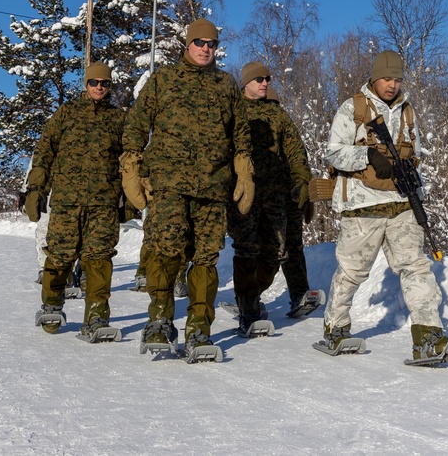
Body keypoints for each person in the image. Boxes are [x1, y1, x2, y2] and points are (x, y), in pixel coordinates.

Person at [121, 18, 254, 354]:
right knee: (165, 253)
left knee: (206, 260)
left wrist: (244, 172)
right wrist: (132, 168)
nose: (205, 49)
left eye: (211, 44)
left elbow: (240, 134)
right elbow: (137, 124)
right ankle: (160, 321)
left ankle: (198, 329)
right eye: (200, 43)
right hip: (169, 185)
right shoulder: (164, 79)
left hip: (213, 187)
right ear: (188, 44)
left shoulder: (226, 85)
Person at [321, 50, 448, 360]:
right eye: (387, 79)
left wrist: (414, 181)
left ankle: (428, 336)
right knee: (353, 271)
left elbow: (415, 153)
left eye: (397, 79)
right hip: (362, 205)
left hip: (401, 204)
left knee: (416, 267)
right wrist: (367, 156)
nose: (393, 85)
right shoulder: (353, 108)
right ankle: (335, 327)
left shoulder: (407, 111)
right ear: (374, 78)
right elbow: (334, 153)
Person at [28, 62, 126, 341]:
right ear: (86, 84)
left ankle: (96, 316)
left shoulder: (118, 120)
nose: (99, 87)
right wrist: (36, 187)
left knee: (99, 260)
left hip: (104, 203)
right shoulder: (67, 113)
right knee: (59, 256)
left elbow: (131, 159)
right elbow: (45, 150)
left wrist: (130, 196)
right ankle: (52, 304)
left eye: (104, 83)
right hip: (67, 201)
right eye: (94, 82)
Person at [228, 63, 315, 334]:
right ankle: (248, 308)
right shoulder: (232, 110)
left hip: (275, 193)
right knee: (246, 249)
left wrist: (303, 182)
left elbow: (296, 150)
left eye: (267, 78)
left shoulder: (278, 115)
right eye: (259, 79)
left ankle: (251, 295)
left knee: (276, 251)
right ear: (245, 83)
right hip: (243, 193)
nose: (265, 82)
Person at [265, 86, 321, 317]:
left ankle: (299, 295)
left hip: (289, 196)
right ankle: (248, 299)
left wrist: (305, 196)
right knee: (262, 250)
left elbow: (301, 161)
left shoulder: (287, 128)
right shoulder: (249, 127)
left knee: (293, 247)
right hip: (264, 199)